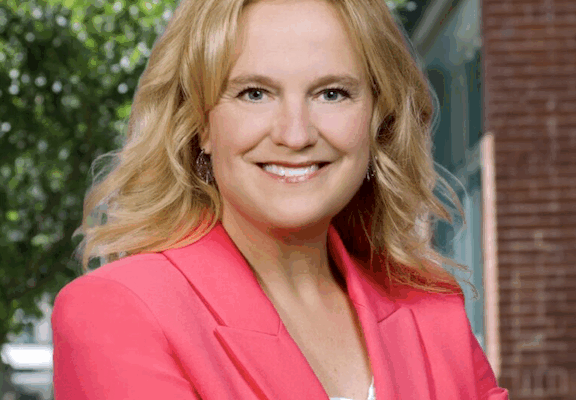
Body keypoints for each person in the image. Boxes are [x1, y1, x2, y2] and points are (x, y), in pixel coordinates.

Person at [51, 0, 509, 399]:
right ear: (201, 124)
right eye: (255, 94)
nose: (296, 134)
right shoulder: (119, 311)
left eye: (332, 93)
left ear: (377, 119)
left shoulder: (431, 307)